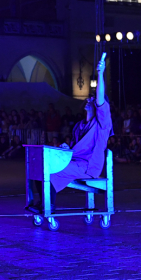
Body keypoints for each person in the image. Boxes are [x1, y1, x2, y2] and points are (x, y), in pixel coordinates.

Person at [28, 53, 112, 212]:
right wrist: (67, 148)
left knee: (49, 170)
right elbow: (75, 148)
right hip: (75, 162)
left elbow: (101, 99)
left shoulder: (102, 124)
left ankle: (47, 206)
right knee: (41, 168)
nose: (89, 100)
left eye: (92, 99)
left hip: (88, 166)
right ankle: (45, 203)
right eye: (89, 98)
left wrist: (100, 73)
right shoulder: (79, 125)